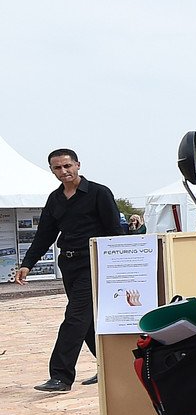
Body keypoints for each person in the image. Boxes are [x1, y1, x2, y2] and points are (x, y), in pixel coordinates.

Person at [10, 149, 122, 391]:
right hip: (69, 264)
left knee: (75, 317)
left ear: (78, 165)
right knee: (87, 321)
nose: (64, 171)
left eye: (67, 166)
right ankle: (111, 367)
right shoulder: (55, 199)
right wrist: (27, 264)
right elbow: (44, 235)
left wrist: (116, 266)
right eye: (58, 168)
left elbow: (115, 231)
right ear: (52, 170)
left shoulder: (99, 193)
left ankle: (61, 377)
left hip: (93, 262)